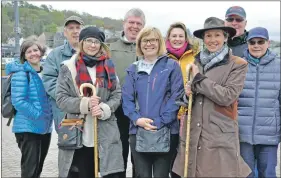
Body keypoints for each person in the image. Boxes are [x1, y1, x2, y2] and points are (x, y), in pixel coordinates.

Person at [172, 17, 251, 177]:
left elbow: (227, 96)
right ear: (203, 39)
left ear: (225, 37)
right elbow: (186, 99)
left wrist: (199, 79)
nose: (212, 40)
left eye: (217, 35)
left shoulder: (238, 64)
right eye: (208, 36)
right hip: (194, 133)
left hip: (218, 135)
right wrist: (187, 94)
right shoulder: (196, 62)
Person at [55, 26, 124, 178]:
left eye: (97, 42)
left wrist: (104, 108)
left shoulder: (108, 66)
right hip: (78, 132)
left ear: (101, 45)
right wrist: (86, 104)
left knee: (110, 172)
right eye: (89, 41)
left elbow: (117, 95)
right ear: (81, 43)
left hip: (105, 130)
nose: (93, 45)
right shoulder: (68, 67)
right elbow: (61, 98)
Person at [122, 26, 184, 178]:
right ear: (139, 44)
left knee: (161, 174)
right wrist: (137, 119)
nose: (149, 44)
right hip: (138, 130)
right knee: (141, 174)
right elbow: (127, 98)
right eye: (145, 40)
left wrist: (159, 121)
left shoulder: (171, 66)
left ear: (160, 42)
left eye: (153, 40)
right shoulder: (133, 69)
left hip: (166, 130)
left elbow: (176, 97)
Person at [41, 16, 83, 177]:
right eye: (71, 28)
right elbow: (49, 82)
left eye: (78, 27)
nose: (75, 31)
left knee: (86, 157)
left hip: (88, 114)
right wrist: (72, 101)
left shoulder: (91, 53)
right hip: (65, 115)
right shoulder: (55, 55)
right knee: (68, 159)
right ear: (65, 33)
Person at [6, 38, 53, 178]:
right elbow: (18, 101)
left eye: (36, 50)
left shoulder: (46, 72)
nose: (33, 53)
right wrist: (39, 114)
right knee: (30, 171)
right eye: (29, 51)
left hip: (45, 127)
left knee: (37, 168)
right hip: (28, 127)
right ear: (24, 55)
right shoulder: (21, 73)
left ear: (41, 51)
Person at [237, 27, 280, 178]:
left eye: (260, 41)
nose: (256, 45)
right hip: (243, 134)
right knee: (244, 174)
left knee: (267, 173)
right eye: (252, 42)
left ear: (268, 43)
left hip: (269, 134)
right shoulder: (238, 65)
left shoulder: (279, 66)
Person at [110, 8, 145, 178]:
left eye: (139, 23)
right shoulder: (111, 47)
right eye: (131, 22)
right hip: (118, 111)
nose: (134, 26)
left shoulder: (149, 46)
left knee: (140, 158)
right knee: (118, 155)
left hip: (143, 111)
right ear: (124, 24)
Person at [165, 22, 199, 178]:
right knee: (171, 157)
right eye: (174, 36)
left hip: (189, 113)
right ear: (168, 38)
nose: (177, 39)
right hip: (169, 115)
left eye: (180, 36)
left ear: (186, 38)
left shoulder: (195, 57)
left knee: (188, 156)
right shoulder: (162, 57)